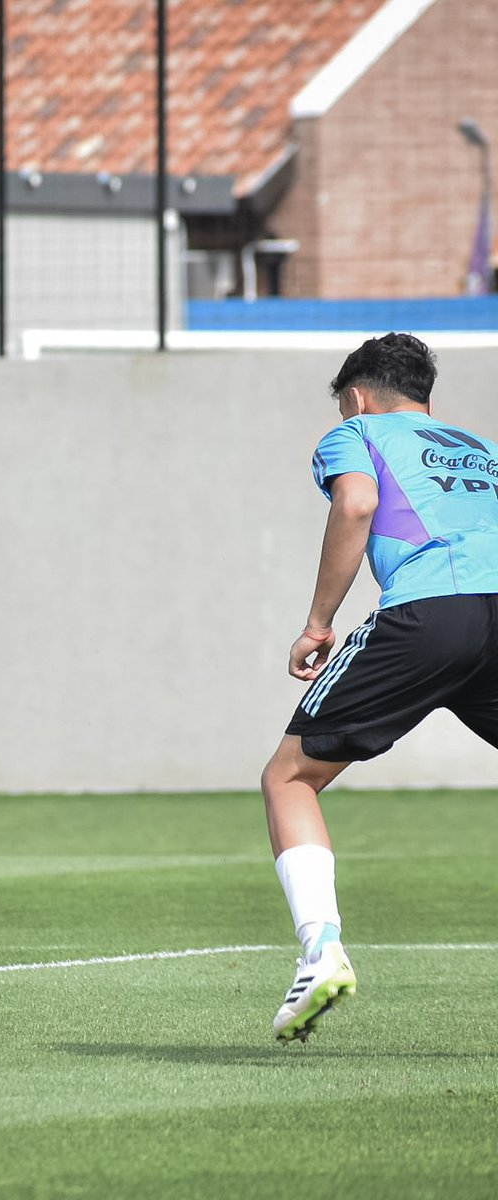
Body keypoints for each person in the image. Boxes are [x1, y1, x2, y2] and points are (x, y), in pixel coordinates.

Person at [262, 331, 498, 1043]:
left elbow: (357, 506)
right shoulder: (481, 448)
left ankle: (321, 951)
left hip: (430, 611)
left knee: (290, 776)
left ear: (357, 396)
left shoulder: (359, 430)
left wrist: (317, 621)